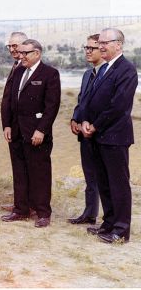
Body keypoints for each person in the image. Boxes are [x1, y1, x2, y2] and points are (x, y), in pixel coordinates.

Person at [79, 28, 137, 244]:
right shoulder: (103, 69)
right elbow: (90, 100)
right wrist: (85, 121)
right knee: (104, 182)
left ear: (119, 45)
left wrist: (94, 125)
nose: (100, 46)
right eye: (99, 43)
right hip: (97, 136)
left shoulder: (126, 70)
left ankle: (121, 230)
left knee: (118, 184)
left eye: (105, 42)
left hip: (114, 137)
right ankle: (109, 223)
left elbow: (118, 106)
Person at [0, 39, 61, 228]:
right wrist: (7, 125)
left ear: (37, 53)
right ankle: (21, 209)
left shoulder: (49, 74)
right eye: (21, 52)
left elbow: (51, 106)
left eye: (26, 53)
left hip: (36, 133)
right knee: (19, 172)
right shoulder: (18, 72)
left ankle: (43, 213)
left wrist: (41, 130)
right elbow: (10, 101)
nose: (22, 56)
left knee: (39, 173)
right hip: (16, 131)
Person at [67, 34, 105, 225]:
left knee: (105, 179)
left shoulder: (107, 74)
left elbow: (109, 105)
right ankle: (90, 214)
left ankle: (110, 219)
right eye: (86, 48)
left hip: (102, 133)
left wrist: (93, 125)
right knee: (90, 177)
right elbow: (83, 101)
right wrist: (75, 118)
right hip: (85, 134)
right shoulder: (87, 74)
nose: (88, 51)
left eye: (93, 48)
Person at [0, 31, 28, 213]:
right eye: (9, 46)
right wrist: (7, 124)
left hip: (26, 128)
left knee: (28, 168)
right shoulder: (16, 65)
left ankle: (27, 206)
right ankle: (20, 204)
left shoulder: (27, 67)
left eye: (15, 46)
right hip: (14, 128)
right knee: (18, 168)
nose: (11, 49)